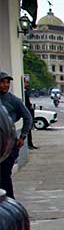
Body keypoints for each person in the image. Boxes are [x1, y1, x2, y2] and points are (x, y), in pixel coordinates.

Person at [0, 71, 33, 199]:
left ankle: (9, 202)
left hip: (8, 143)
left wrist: (23, 136)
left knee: (4, 176)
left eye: (7, 82)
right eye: (3, 82)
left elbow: (28, 117)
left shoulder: (13, 100)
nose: (6, 85)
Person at [23, 78, 38, 149]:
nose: (27, 84)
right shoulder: (24, 92)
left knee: (29, 129)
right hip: (26, 113)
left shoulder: (26, 91)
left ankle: (30, 143)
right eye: (26, 83)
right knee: (28, 129)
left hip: (28, 112)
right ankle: (29, 144)